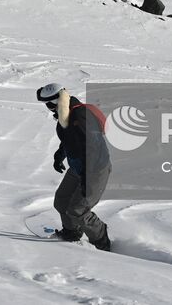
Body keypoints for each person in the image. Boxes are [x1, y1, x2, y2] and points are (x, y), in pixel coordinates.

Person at [36, 83, 112, 251]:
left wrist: (87, 178)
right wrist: (59, 156)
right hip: (79, 168)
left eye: (49, 104)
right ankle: (71, 233)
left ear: (58, 101)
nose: (48, 108)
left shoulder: (81, 115)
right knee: (62, 200)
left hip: (94, 170)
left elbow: (90, 148)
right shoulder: (66, 115)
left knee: (78, 211)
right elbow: (70, 139)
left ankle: (102, 241)